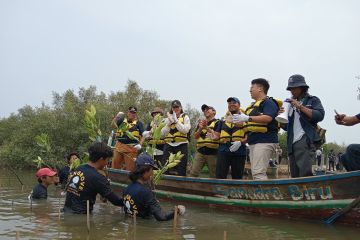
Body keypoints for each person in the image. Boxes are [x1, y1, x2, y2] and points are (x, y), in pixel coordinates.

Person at [282, 74, 325, 178]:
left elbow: (320, 115)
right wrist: (280, 117)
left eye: (294, 88)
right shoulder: (289, 104)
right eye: (290, 88)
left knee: (305, 174)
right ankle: (298, 195)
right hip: (291, 143)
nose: (292, 90)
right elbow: (286, 127)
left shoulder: (312, 100)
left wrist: (300, 106)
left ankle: (308, 194)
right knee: (294, 176)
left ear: (302, 88)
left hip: (305, 140)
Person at [238, 79, 280, 180]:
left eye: (252, 87)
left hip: (265, 140)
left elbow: (268, 118)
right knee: (255, 172)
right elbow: (248, 124)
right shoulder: (253, 106)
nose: (250, 90)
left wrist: (248, 118)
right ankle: (260, 194)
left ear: (260, 89)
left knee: (258, 173)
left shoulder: (268, 102)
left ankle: (263, 195)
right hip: (254, 141)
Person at [63, 142, 123, 214]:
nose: (107, 163)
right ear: (101, 159)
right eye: (107, 160)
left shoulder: (79, 168)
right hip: (81, 218)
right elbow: (116, 201)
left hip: (66, 212)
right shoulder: (98, 177)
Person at [123, 153, 185, 221]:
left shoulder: (126, 189)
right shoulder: (145, 192)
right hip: (145, 227)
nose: (152, 173)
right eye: (151, 170)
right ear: (145, 171)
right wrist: (177, 210)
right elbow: (162, 217)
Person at [212, 97, 247, 179]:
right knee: (220, 175)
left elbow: (250, 135)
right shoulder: (222, 121)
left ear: (239, 105)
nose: (231, 104)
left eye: (234, 102)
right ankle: (219, 191)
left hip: (239, 150)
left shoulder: (246, 119)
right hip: (223, 150)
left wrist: (240, 142)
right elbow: (217, 135)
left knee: (237, 176)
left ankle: (237, 191)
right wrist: (211, 134)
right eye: (229, 103)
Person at [161, 100, 191, 176]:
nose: (175, 109)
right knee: (165, 167)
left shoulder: (185, 117)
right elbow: (162, 134)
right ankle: (165, 185)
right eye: (174, 107)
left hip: (182, 145)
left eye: (177, 107)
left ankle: (181, 185)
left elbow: (185, 130)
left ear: (180, 108)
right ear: (171, 108)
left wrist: (176, 121)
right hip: (169, 145)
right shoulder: (166, 119)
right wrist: (169, 123)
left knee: (181, 168)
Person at [189, 104, 219, 178]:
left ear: (214, 112)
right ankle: (191, 188)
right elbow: (196, 137)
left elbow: (218, 136)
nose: (205, 111)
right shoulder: (200, 123)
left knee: (214, 174)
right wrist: (200, 128)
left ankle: (212, 189)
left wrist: (206, 127)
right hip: (200, 151)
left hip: (212, 152)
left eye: (208, 109)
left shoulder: (218, 122)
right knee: (193, 173)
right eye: (204, 110)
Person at [111, 106, 144, 171]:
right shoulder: (121, 120)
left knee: (130, 168)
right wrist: (117, 116)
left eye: (134, 113)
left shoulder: (139, 123)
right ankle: (114, 179)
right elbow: (112, 125)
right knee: (115, 165)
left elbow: (143, 135)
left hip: (131, 148)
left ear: (136, 114)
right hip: (119, 146)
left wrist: (140, 144)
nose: (132, 114)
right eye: (131, 112)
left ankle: (129, 181)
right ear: (127, 113)